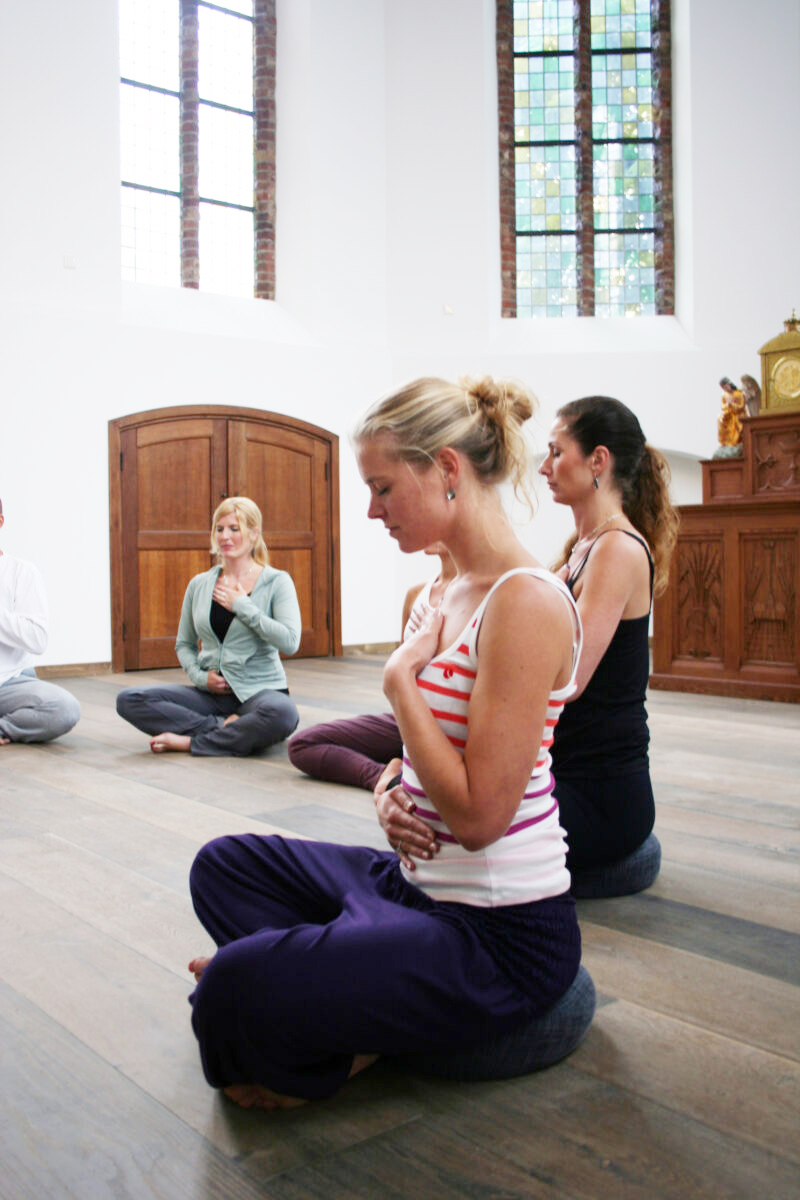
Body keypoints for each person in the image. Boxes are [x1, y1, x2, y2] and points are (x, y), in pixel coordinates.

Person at [187, 376, 586, 1109]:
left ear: (447, 470)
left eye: (382, 488)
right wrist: (389, 785)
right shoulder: (436, 593)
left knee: (234, 988)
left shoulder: (526, 600)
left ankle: (338, 1028)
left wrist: (399, 680)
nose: (370, 510)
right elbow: (425, 754)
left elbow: (478, 818)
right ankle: (332, 983)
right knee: (223, 867)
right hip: (411, 886)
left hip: (499, 937)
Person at [379, 395, 677, 898]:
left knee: (442, 827)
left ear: (598, 461)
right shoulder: (579, 550)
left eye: (557, 453)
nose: (543, 467)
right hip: (559, 768)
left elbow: (571, 679)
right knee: (421, 798)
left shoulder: (619, 550)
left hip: (601, 790)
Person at [116, 497, 301, 757]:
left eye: (234, 529)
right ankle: (221, 729)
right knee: (129, 700)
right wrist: (201, 677)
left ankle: (189, 742)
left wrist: (242, 606)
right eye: (220, 528)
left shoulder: (277, 582)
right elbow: (184, 644)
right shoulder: (199, 584)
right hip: (211, 696)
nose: (225, 536)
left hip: (260, 693)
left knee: (284, 714)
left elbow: (290, 642)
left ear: (254, 533)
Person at [286, 543, 456, 792]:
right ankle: (387, 778)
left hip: (452, 731)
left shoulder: (481, 597)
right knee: (302, 745)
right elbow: (402, 669)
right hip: (407, 723)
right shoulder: (416, 594)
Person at [0, 497, 81, 745]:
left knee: (64, 708)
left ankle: (5, 727)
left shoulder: (21, 572)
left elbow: (37, 638)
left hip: (8, 683)